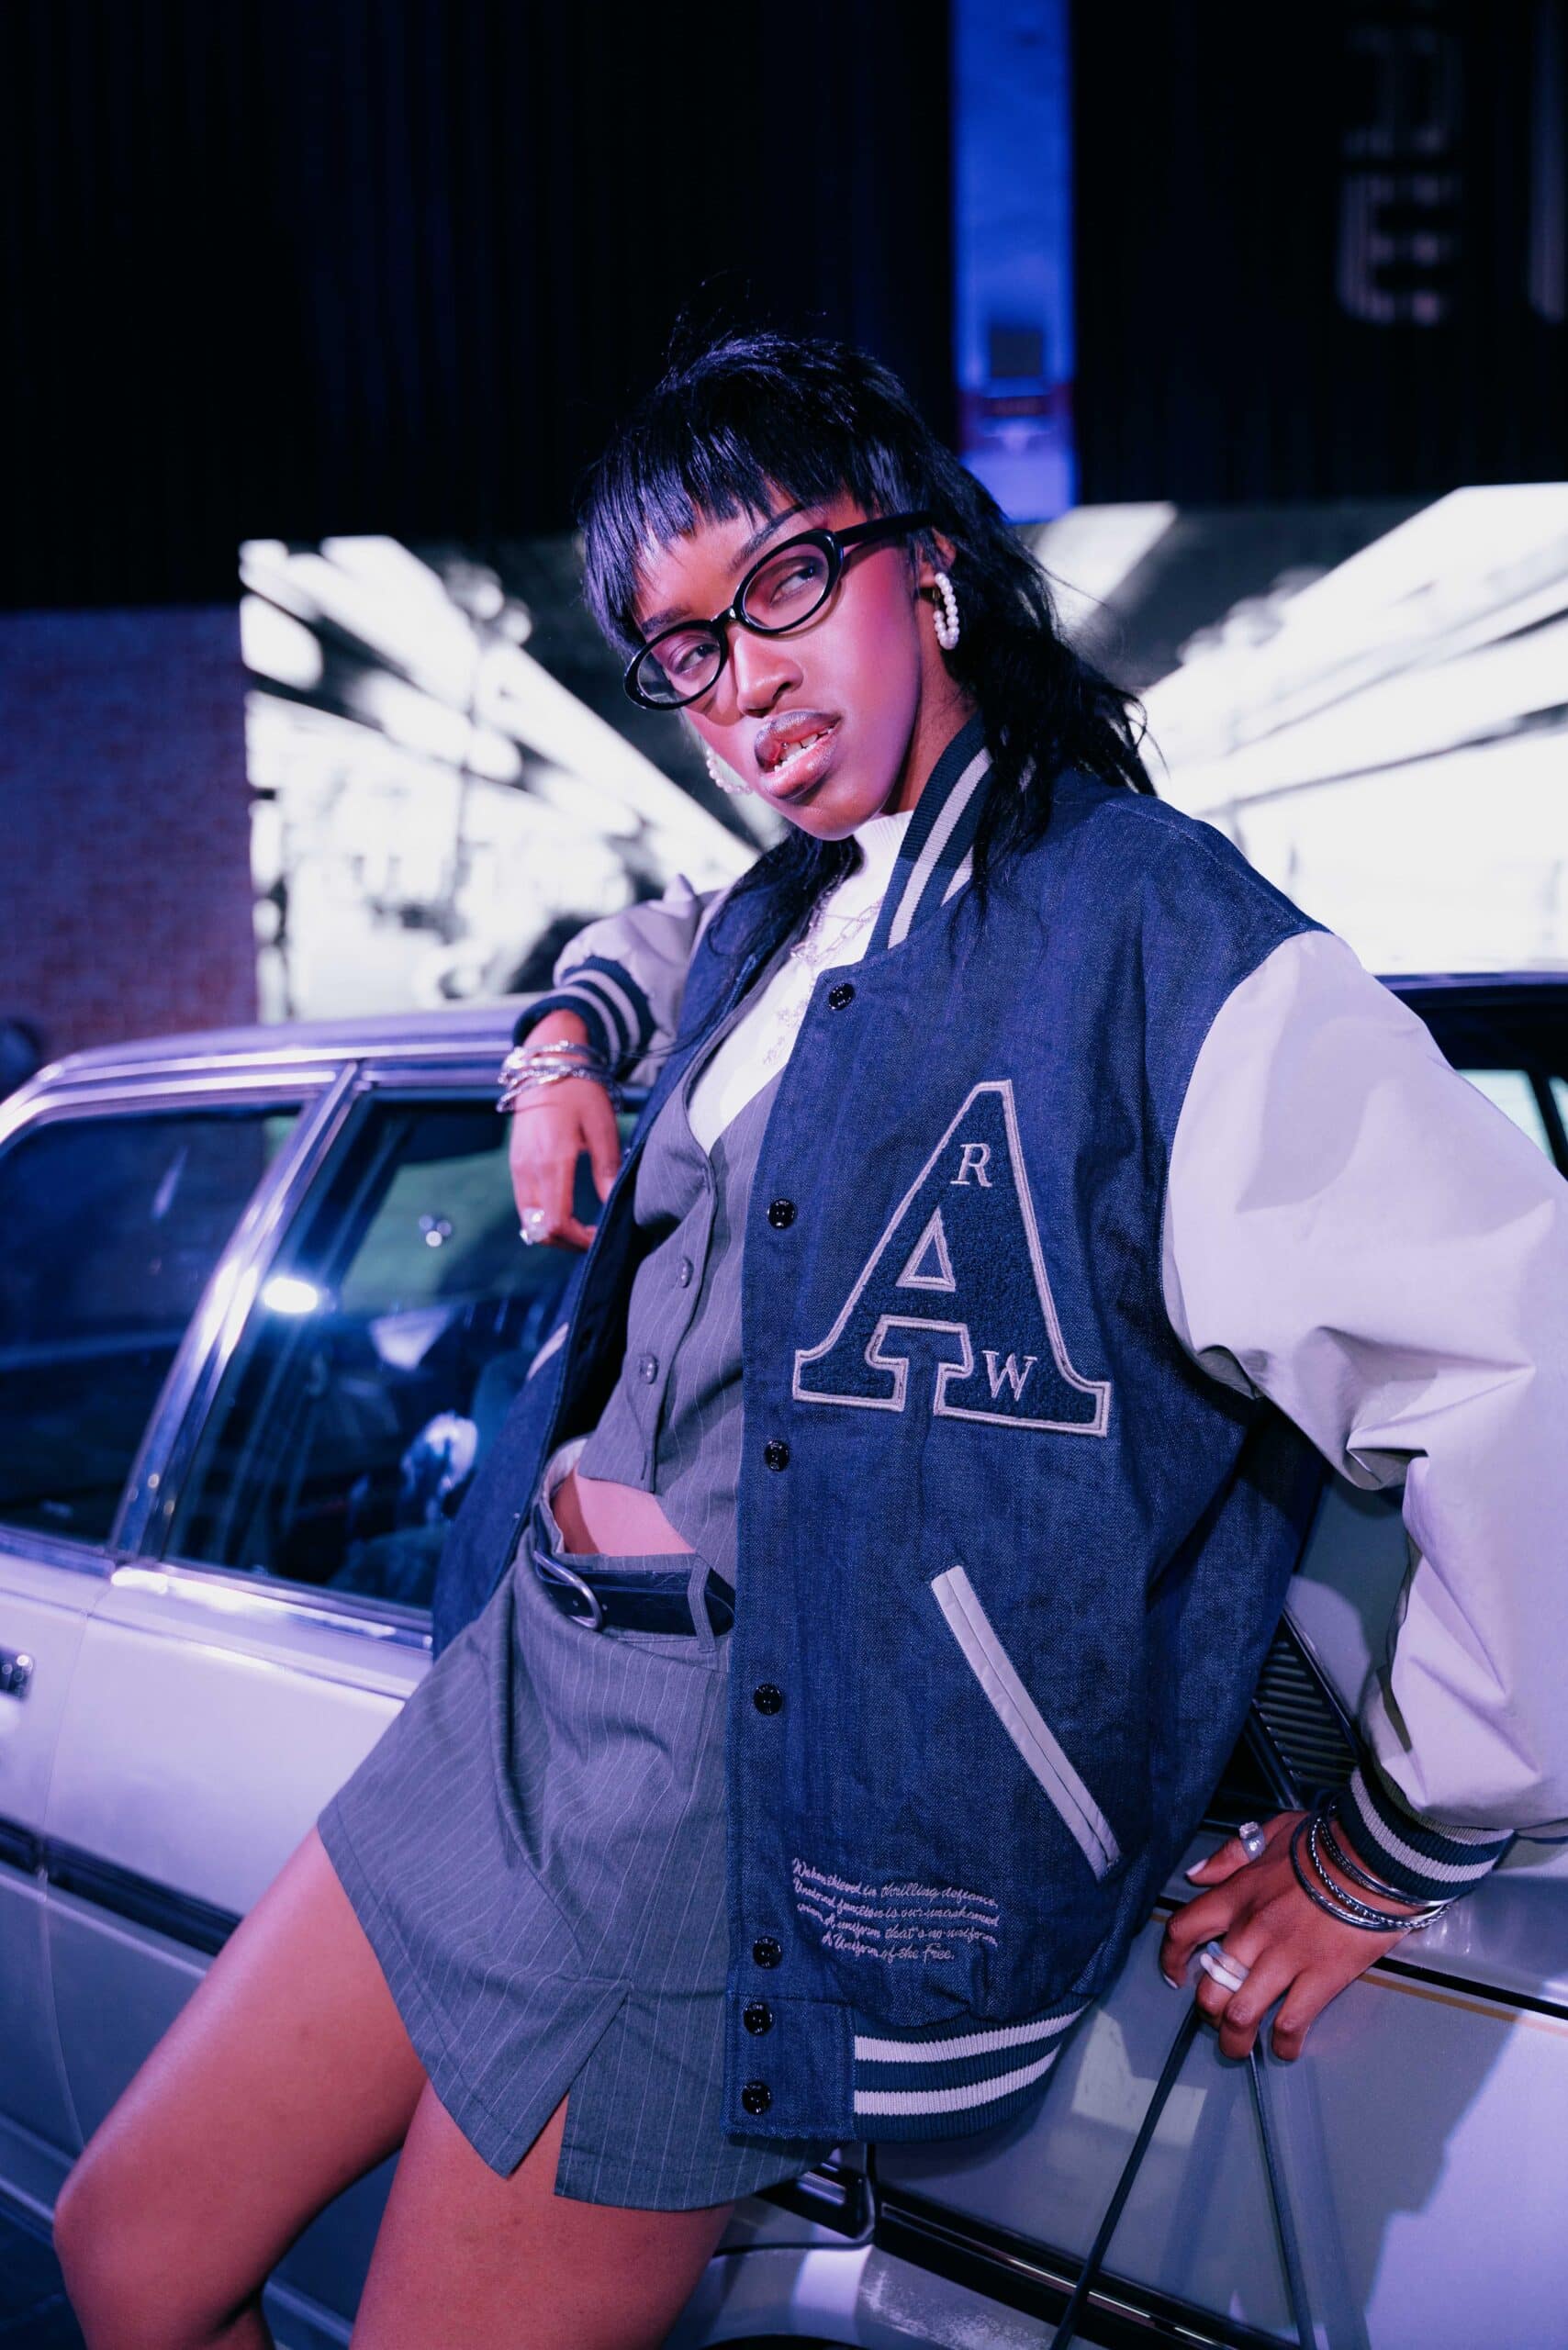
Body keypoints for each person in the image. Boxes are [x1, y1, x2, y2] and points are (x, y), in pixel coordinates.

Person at [53, 330, 1568, 2350]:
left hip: (715, 1812)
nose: (743, 681)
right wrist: (561, 1041)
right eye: (683, 650)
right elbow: (661, 932)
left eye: (782, 582)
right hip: (515, 1692)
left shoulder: (1148, 935)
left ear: (924, 560)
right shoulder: (802, 898)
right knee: (128, 2253)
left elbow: (1519, 1360)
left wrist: (1385, 1845)